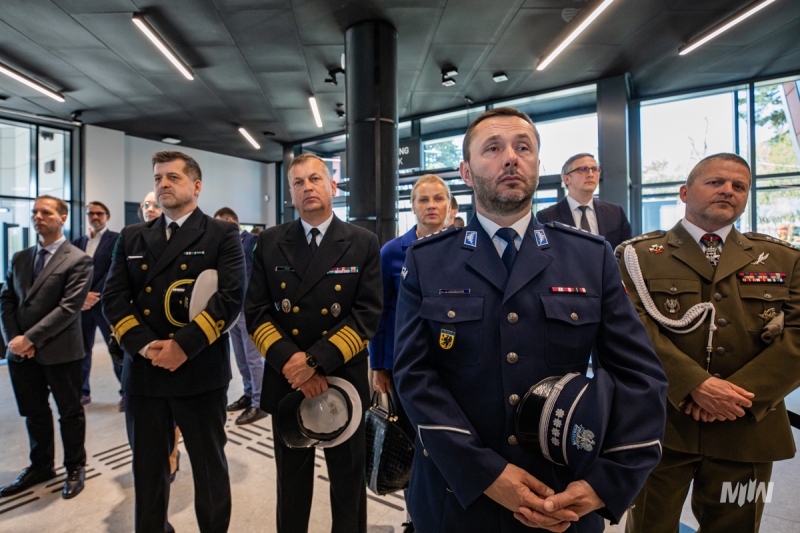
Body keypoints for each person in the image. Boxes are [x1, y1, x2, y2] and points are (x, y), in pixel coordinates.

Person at [393, 107, 668, 532]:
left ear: (538, 166)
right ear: (466, 172)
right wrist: (486, 474)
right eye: (493, 148)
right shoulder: (428, 261)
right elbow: (414, 376)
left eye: (523, 147)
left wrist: (607, 482)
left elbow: (640, 376)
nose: (511, 157)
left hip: (563, 492)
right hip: (458, 495)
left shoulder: (589, 257)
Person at [618, 153, 800, 533]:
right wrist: (694, 386)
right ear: (685, 192)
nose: (728, 191)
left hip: (747, 426)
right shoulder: (637, 256)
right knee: (649, 525)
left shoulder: (784, 258)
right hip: (664, 426)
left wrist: (736, 397)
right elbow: (631, 329)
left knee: (737, 527)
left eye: (739, 186)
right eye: (715, 182)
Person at [102, 151, 245, 533]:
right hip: (145, 374)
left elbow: (230, 297)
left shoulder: (222, 234)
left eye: (173, 178)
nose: (163, 184)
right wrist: (147, 346)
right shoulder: (133, 236)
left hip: (198, 371)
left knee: (209, 468)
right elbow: (113, 298)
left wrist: (182, 346)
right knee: (148, 472)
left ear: (196, 186)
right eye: (158, 178)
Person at [245, 152, 382, 533]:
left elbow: (368, 313)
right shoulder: (271, 242)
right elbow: (256, 312)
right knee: (290, 483)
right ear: (290, 193)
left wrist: (316, 363)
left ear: (333, 186)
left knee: (347, 483)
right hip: (288, 379)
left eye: (315, 179)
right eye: (299, 182)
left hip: (342, 378)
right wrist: (295, 366)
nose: (308, 187)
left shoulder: (361, 241)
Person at [370, 174, 450, 531]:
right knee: (414, 444)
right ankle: (414, 517)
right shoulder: (392, 252)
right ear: (413, 206)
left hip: (454, 364)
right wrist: (379, 365)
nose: (431, 206)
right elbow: (381, 315)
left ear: (449, 205)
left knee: (450, 443)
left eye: (438, 199)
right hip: (406, 367)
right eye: (423, 200)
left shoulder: (464, 247)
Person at [0, 196, 93, 499]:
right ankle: (41, 466)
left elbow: (68, 308)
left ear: (62, 217)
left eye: (46, 212)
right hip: (21, 354)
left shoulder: (77, 259)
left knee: (69, 412)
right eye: (35, 212)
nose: (38, 217)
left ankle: (75, 467)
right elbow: (7, 300)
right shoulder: (20, 257)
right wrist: (15, 340)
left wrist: (30, 339)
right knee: (34, 412)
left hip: (60, 351)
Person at [214, 206, 266, 425]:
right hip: (232, 310)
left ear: (231, 220)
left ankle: (259, 403)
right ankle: (248, 393)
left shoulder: (251, 240)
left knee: (254, 358)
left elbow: (260, 273)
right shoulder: (223, 246)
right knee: (241, 357)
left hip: (249, 310)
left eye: (220, 223)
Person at [72, 201, 121, 408]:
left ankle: (126, 392)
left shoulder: (116, 239)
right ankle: (82, 392)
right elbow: (73, 273)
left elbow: (114, 269)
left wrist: (96, 294)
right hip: (82, 305)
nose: (95, 217)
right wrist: (82, 296)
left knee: (116, 347)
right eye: (91, 213)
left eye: (99, 213)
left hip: (105, 303)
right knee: (81, 350)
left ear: (107, 216)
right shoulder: (77, 242)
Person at [535, 153, 632, 249]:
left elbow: (626, 252)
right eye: (582, 169)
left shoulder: (615, 213)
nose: (590, 174)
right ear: (567, 179)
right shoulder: (546, 217)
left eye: (594, 169)